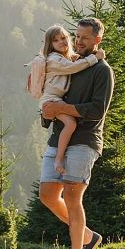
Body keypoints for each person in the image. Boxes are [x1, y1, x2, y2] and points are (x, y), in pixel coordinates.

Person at [39, 18, 114, 249]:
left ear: (97, 40)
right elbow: (51, 97)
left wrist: (62, 109)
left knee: (72, 196)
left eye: (84, 37)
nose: (78, 41)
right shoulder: (68, 63)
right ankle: (87, 236)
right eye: (77, 36)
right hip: (58, 137)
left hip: (85, 139)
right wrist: (49, 110)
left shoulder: (102, 70)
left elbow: (96, 110)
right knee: (47, 195)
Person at [34, 25, 106, 176]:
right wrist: (95, 57)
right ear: (50, 44)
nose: (62, 42)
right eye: (56, 40)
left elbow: (97, 109)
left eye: (64, 38)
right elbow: (73, 68)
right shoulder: (54, 60)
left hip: (57, 102)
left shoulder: (65, 58)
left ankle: (59, 157)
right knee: (70, 123)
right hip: (51, 99)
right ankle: (59, 158)